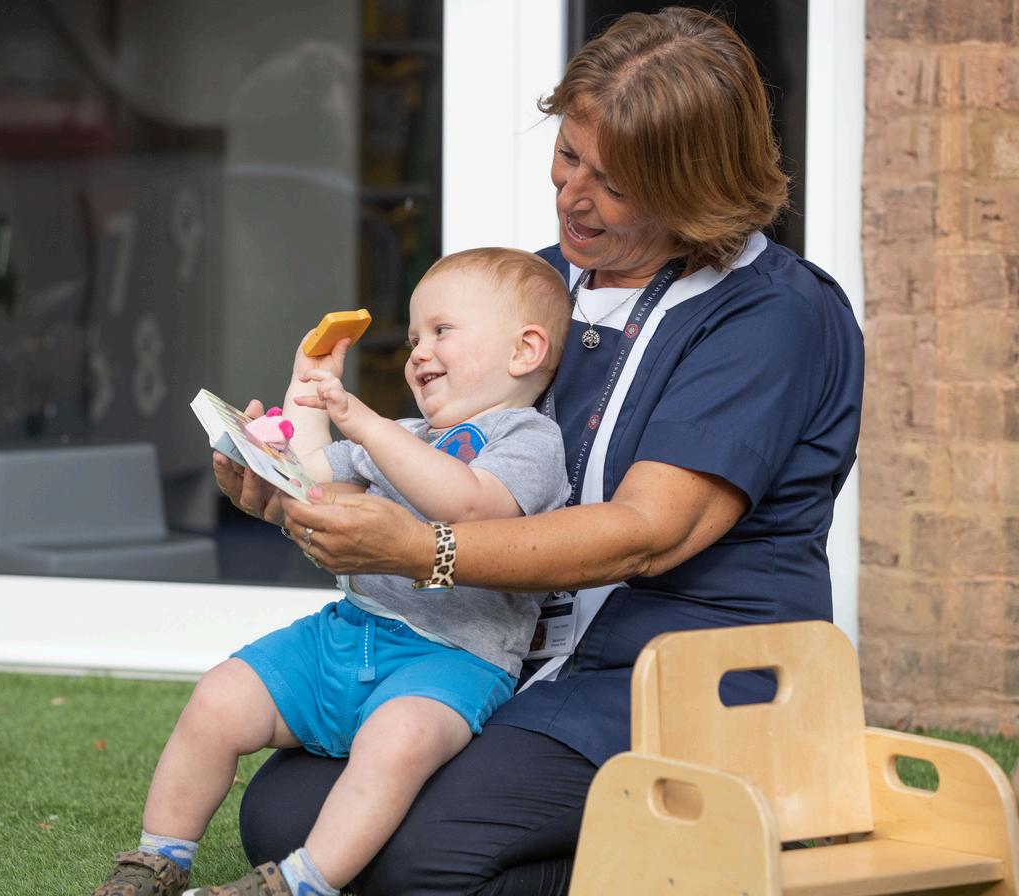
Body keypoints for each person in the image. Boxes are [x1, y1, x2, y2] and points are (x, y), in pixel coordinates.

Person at [217, 7, 865, 896]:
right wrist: (295, 486)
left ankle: (711, 866)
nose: (572, 196)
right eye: (568, 156)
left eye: (615, 182)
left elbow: (647, 533)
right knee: (284, 813)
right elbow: (441, 465)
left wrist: (426, 552)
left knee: (414, 858)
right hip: (504, 657)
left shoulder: (771, 315)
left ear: (696, 186)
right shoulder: (536, 287)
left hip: (675, 678)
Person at [93, 247, 573, 896]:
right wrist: (303, 400)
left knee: (396, 742)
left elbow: (468, 505)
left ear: (525, 351)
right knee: (219, 696)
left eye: (442, 331)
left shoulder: (530, 440)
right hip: (346, 635)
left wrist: (366, 424)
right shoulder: (407, 434)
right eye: (413, 339)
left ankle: (299, 884)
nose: (418, 353)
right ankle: (156, 860)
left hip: (452, 662)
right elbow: (312, 476)